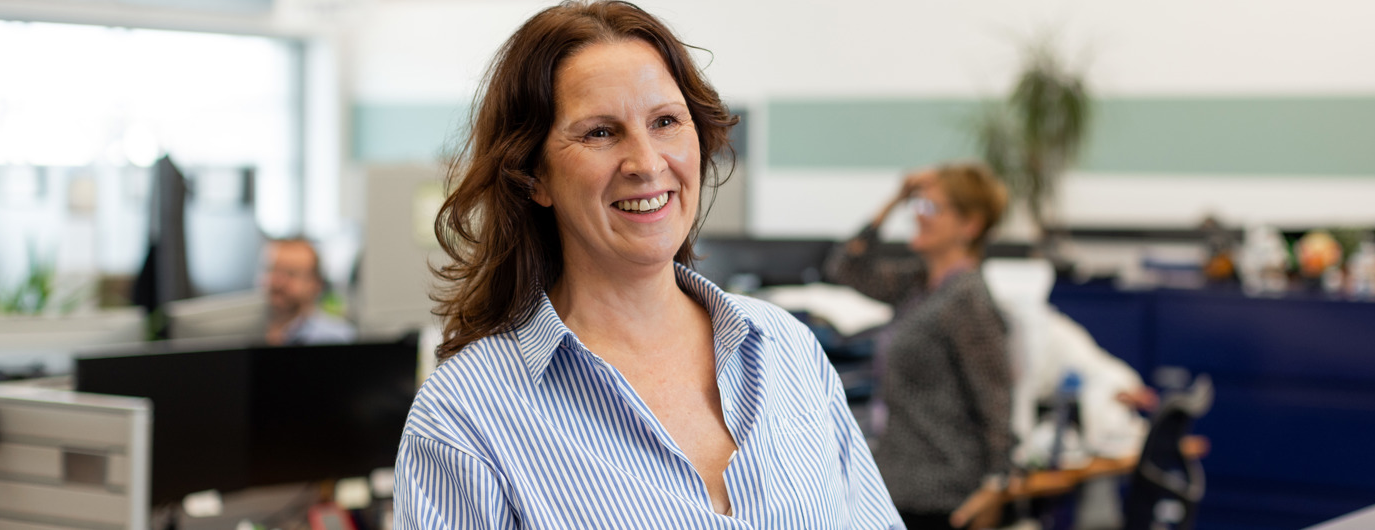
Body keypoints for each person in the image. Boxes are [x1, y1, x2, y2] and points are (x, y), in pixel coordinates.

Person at [393, 2, 901, 528]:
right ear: (532, 176)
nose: (647, 163)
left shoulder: (786, 350)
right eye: (600, 132)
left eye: (665, 121)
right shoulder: (464, 419)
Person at [826, 163, 1013, 530]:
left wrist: (997, 485)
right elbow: (846, 267)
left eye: (931, 208)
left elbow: (995, 401)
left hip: (944, 495)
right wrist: (896, 198)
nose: (918, 217)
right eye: (917, 207)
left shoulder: (967, 299)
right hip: (900, 485)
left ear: (969, 225)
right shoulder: (919, 286)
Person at [262, 237, 354, 346]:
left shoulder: (336, 338)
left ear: (316, 284)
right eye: (273, 270)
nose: (278, 282)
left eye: (291, 274)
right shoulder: (250, 332)